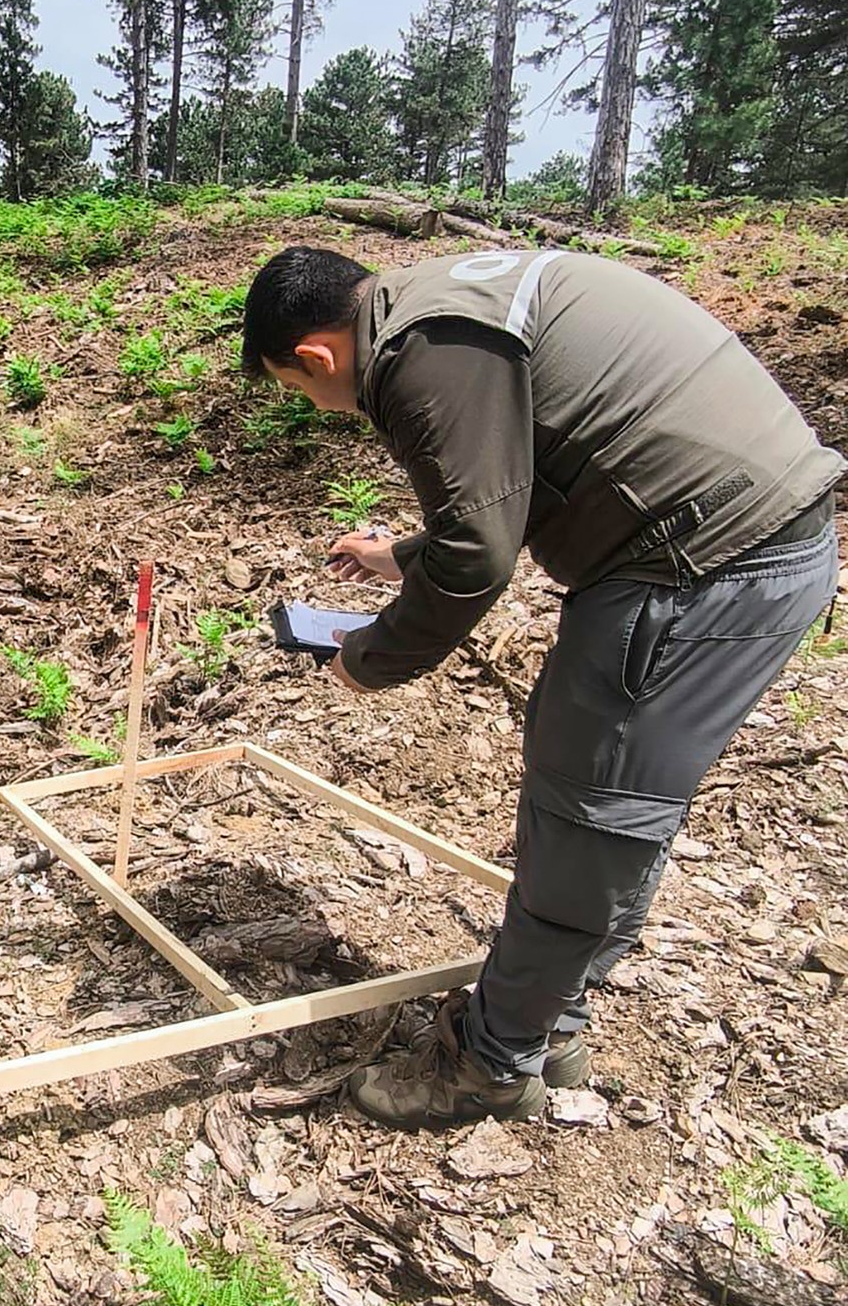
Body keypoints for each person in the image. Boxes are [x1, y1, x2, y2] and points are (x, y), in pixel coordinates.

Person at [241, 244, 844, 1129]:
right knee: (601, 795)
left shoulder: (414, 358)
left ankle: (489, 1063)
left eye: (299, 390)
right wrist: (398, 554)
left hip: (700, 563)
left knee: (589, 809)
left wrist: (372, 658)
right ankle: (543, 1021)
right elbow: (524, 478)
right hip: (736, 534)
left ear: (315, 357)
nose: (319, 405)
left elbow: (476, 554)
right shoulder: (441, 301)